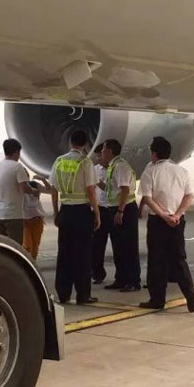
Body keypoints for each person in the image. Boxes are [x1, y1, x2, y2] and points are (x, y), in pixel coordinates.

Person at [137, 136, 194, 312]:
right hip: (177, 221)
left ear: (154, 154)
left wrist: (164, 216)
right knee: (179, 259)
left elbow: (148, 198)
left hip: (158, 222)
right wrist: (176, 215)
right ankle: (190, 295)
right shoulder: (181, 171)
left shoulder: (150, 172)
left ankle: (157, 299)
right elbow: (189, 196)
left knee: (157, 261)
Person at [51, 129, 101, 305]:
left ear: (70, 142)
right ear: (85, 144)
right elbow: (90, 190)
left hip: (65, 211)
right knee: (82, 255)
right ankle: (83, 294)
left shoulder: (59, 161)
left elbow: (53, 189)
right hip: (81, 212)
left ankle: (63, 293)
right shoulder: (85, 162)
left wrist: (56, 212)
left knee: (64, 254)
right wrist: (97, 212)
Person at [101, 139, 141, 292]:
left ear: (110, 151)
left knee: (128, 247)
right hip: (115, 209)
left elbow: (125, 190)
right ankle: (121, 279)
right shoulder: (113, 166)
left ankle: (133, 281)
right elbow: (112, 189)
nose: (101, 152)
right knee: (118, 247)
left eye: (103, 149)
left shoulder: (120, 166)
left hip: (125, 210)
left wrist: (120, 211)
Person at [0, 138, 32, 245]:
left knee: (3, 247)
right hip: (13, 215)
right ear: (16, 152)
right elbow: (24, 188)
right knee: (15, 246)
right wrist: (34, 191)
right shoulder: (17, 166)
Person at [91, 143, 112, 284]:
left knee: (118, 244)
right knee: (97, 244)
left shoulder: (115, 169)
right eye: (97, 156)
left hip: (112, 208)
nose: (98, 159)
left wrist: (97, 182)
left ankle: (122, 276)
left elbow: (111, 188)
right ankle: (98, 273)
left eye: (100, 156)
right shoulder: (94, 169)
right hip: (100, 209)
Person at [22, 175, 52, 260]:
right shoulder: (17, 187)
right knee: (27, 245)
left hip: (36, 218)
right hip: (24, 220)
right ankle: (25, 261)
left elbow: (50, 190)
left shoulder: (34, 185)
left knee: (35, 247)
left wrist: (43, 179)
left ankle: (32, 263)